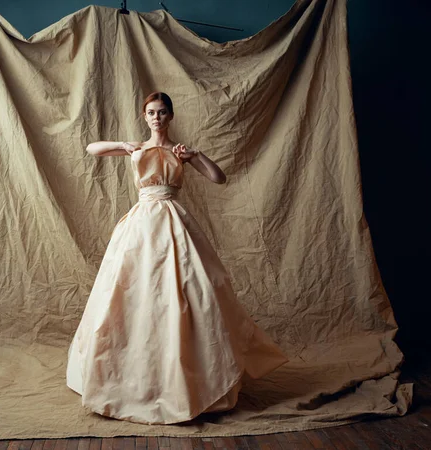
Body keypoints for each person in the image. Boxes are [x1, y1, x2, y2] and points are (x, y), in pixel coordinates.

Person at [66, 92, 288, 425]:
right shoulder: (137, 147)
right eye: (151, 112)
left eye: (162, 112)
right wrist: (124, 145)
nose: (156, 117)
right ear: (145, 116)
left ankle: (190, 378)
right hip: (141, 223)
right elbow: (91, 149)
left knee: (190, 288)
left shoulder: (178, 151)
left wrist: (194, 155)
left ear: (170, 116)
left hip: (173, 220)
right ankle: (129, 377)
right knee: (131, 290)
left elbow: (218, 177)